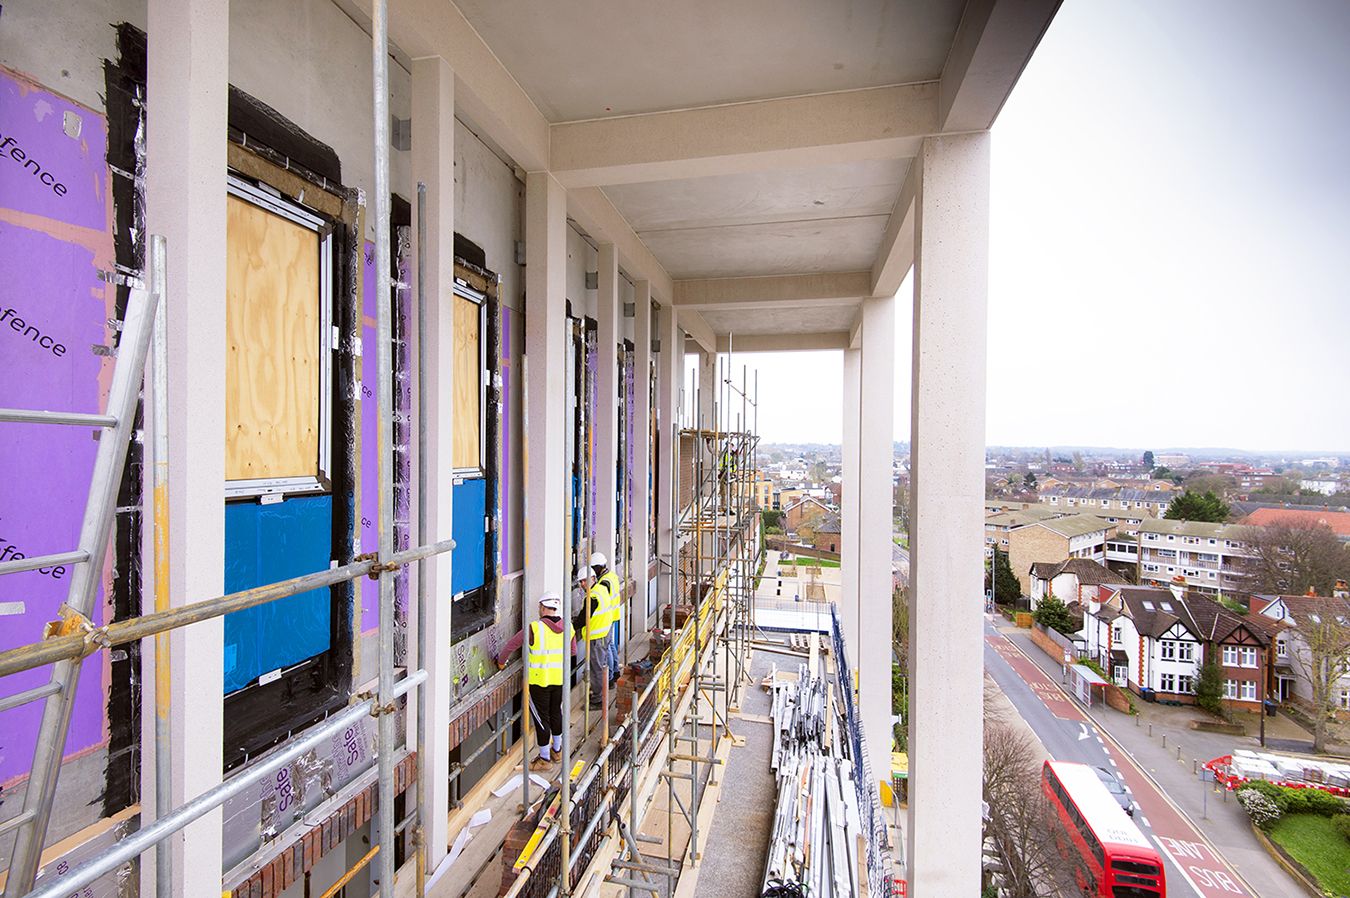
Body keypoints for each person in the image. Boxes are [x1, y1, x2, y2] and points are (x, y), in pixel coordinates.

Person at [496, 592, 575, 772]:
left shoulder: (534, 628)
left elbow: (510, 646)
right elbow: (572, 652)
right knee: (556, 712)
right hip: (559, 679)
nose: (538, 609)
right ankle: (557, 750)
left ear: (544, 608)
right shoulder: (568, 626)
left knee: (541, 719)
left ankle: (544, 759)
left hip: (539, 682)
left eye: (540, 606)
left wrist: (501, 663)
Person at [575, 553, 617, 711]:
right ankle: (602, 693)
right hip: (604, 633)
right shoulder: (601, 589)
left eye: (584, 581)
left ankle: (599, 699)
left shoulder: (592, 596)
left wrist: (571, 627)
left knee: (597, 668)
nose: (582, 585)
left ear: (591, 579)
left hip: (597, 637)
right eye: (581, 582)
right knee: (602, 665)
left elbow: (583, 617)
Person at [588, 551, 624, 687]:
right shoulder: (611, 576)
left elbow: (600, 602)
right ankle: (614, 672)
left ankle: (608, 678)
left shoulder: (603, 583)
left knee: (607, 648)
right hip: (612, 615)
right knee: (611, 645)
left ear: (598, 567)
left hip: (605, 620)